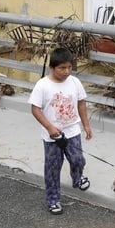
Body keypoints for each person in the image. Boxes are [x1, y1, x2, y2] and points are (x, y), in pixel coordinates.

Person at [28, 47, 93, 215]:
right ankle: (53, 200)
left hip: (72, 130)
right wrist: (50, 127)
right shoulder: (42, 85)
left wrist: (86, 125)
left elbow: (81, 103)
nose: (66, 71)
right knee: (52, 168)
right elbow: (35, 109)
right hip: (52, 137)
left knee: (78, 159)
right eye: (62, 68)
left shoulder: (75, 82)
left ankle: (77, 178)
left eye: (69, 67)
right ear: (52, 67)